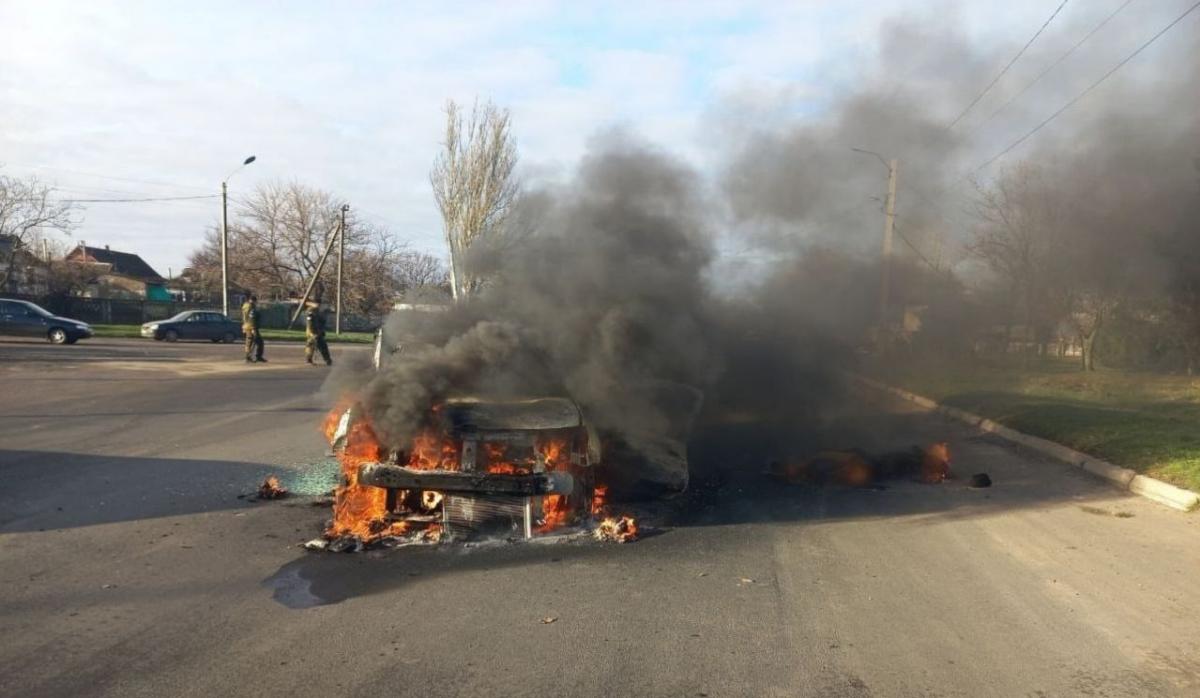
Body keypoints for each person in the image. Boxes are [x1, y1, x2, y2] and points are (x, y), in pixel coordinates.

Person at [304, 300, 332, 366]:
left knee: (323, 345)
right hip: (312, 333)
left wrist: (321, 332)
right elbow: (310, 324)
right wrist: (312, 334)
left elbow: (321, 324)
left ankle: (327, 359)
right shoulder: (310, 313)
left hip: (318, 332)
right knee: (311, 345)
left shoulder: (319, 313)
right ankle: (309, 359)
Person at [241, 294, 266, 363]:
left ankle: (252, 357)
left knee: (251, 342)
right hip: (252, 327)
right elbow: (252, 318)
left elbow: (245, 318)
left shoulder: (245, 306)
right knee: (255, 342)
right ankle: (251, 357)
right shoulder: (251, 307)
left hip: (247, 326)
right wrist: (253, 328)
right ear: (254, 301)